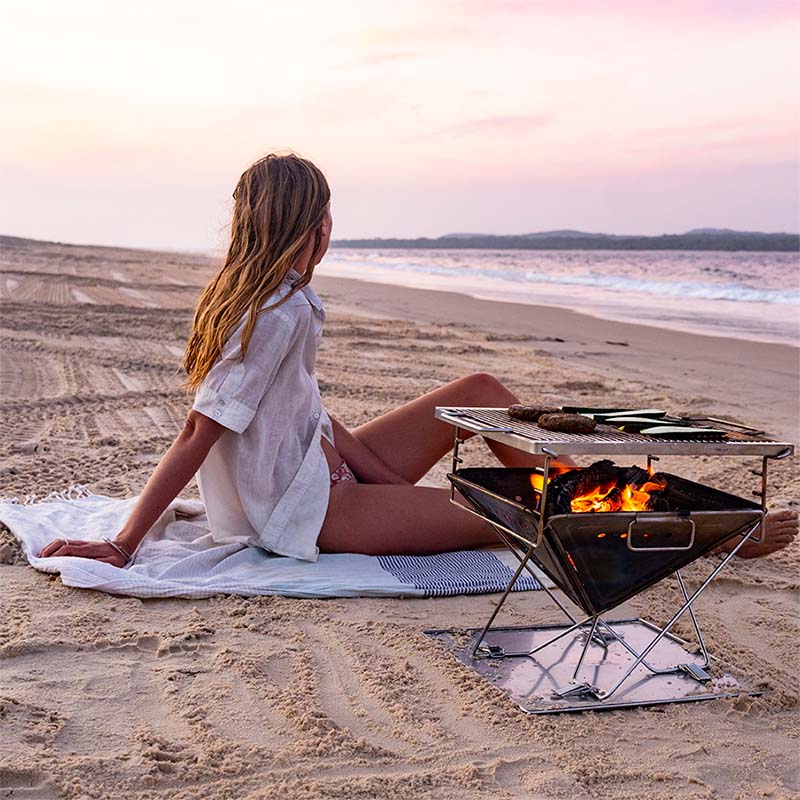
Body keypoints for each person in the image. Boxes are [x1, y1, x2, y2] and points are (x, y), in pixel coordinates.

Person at [38, 153, 797, 567]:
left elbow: (299, 411)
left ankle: (596, 491)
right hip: (304, 510)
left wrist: (364, 463)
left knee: (482, 390)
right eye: (328, 214)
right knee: (519, 515)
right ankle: (708, 530)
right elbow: (198, 434)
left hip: (323, 471)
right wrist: (123, 542)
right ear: (315, 224)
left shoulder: (276, 299)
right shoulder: (275, 310)